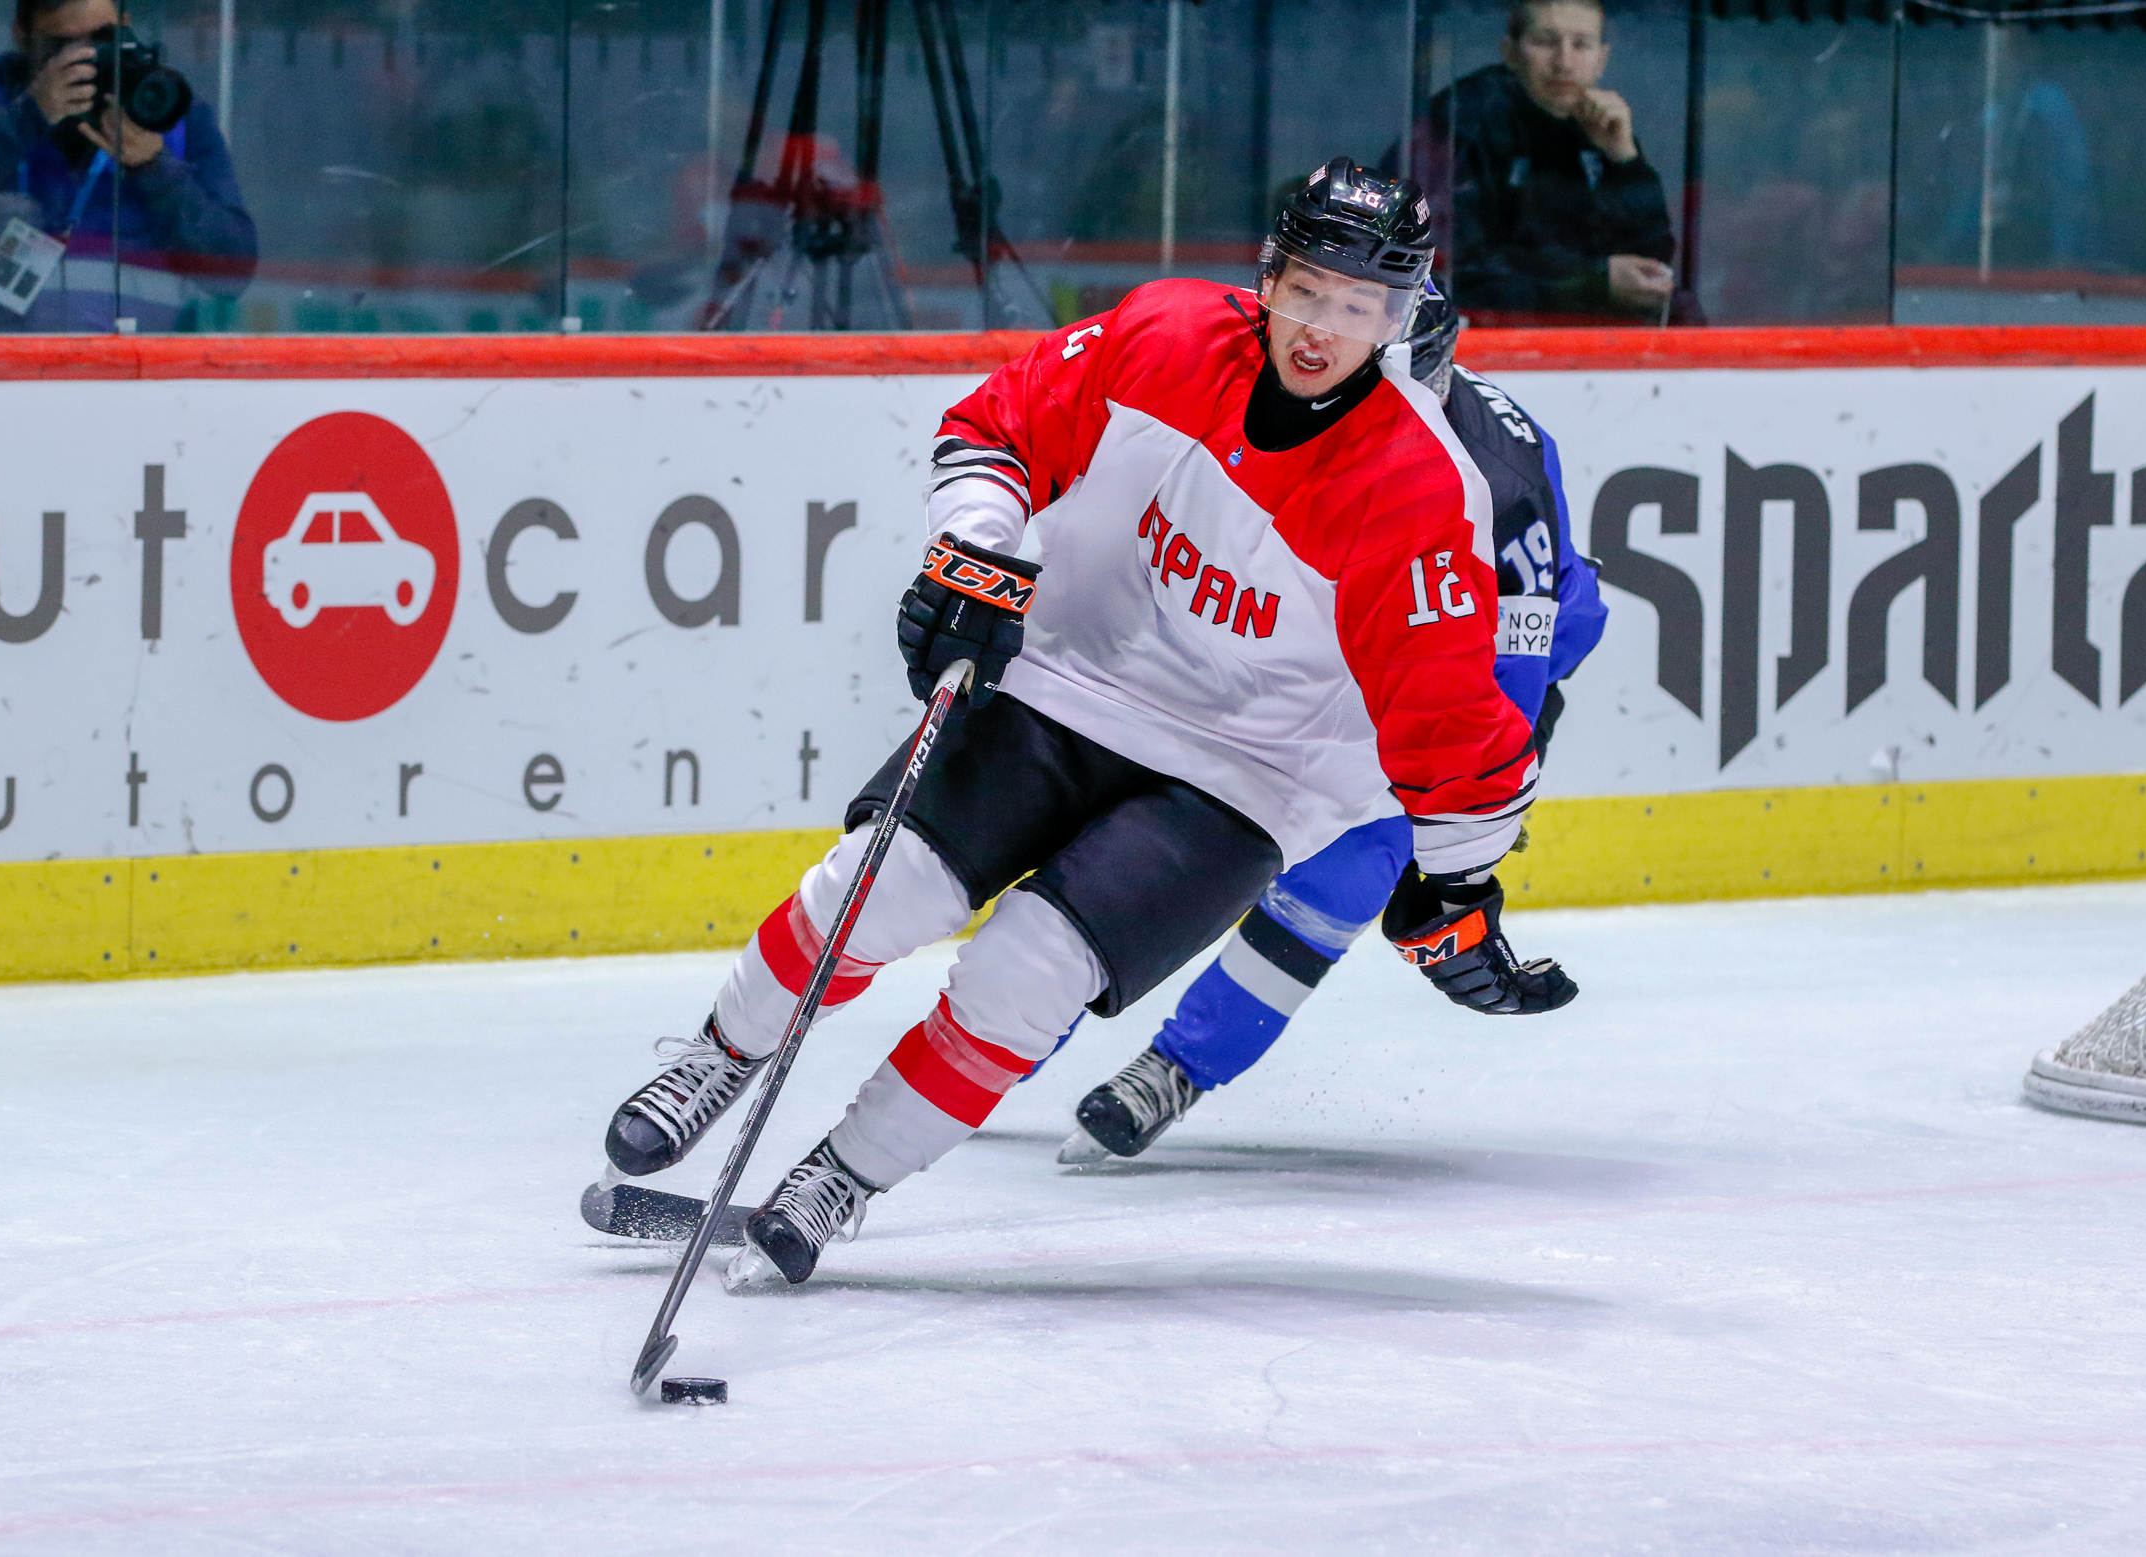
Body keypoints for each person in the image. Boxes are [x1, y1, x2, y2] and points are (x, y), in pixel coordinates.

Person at [595, 158, 1579, 1290]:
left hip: (1243, 778)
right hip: (1066, 681)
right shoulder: (1164, 335)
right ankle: (719, 1059)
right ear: (1267, 276)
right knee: (875, 886)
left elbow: (1447, 710)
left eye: (1358, 307)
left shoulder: (1417, 489)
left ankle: (841, 1177)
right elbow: (997, 428)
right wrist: (974, 556)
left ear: (1396, 320)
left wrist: (1456, 884)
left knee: (1028, 974)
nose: (1321, 327)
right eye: (1307, 289)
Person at [1055, 284, 1608, 1162]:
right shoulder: (1267, 392)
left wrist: (1458, 861)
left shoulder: (1496, 478)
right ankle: (1023, 1020)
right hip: (1303, 642)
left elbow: (1501, 692)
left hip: (1432, 670)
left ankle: (1179, 1069)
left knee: (1348, 872)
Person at [0, 0, 255, 332]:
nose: (83, 59)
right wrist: (28, 116)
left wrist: (154, 165)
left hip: (139, 372)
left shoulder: (167, 108)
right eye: (59, 45)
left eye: (101, 39)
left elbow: (231, 271)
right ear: (21, 34)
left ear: (124, 27)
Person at [1406, 0, 1692, 327]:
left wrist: (1625, 159)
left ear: (1602, 60)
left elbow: (1654, 260)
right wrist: (1593, 284)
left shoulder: (1601, 127)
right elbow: (1453, 274)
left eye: (1581, 45)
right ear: (1510, 52)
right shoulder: (1461, 124)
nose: (1564, 63)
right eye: (1545, 42)